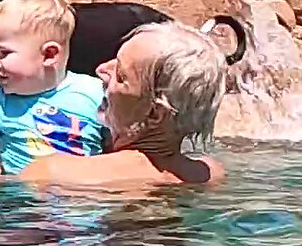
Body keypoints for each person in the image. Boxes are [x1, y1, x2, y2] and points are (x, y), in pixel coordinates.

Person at [20, 20, 229, 187]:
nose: (101, 69)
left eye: (120, 76)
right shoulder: (209, 176)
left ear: (155, 113)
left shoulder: (51, 175)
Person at [0, 0, 108, 176]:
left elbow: (119, 142)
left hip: (82, 197)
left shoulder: (94, 94)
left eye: (3, 54)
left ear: (49, 55)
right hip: (21, 200)